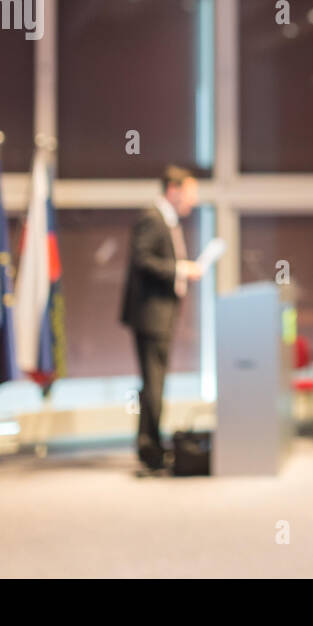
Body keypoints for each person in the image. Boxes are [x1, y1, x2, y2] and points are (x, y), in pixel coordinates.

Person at [120, 166, 205, 474]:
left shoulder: (164, 221)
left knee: (154, 383)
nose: (193, 202)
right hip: (150, 315)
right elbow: (142, 260)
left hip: (159, 314)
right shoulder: (152, 219)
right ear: (174, 189)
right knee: (154, 384)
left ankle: (151, 447)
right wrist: (181, 269)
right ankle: (151, 450)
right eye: (191, 194)